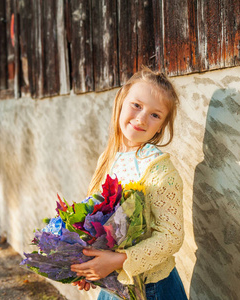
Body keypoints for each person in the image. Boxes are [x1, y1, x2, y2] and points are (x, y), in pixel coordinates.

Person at [70, 67, 188, 300]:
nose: (142, 118)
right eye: (137, 105)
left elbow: (171, 237)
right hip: (114, 285)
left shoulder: (158, 169)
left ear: (161, 126)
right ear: (121, 102)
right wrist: (88, 265)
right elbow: (97, 219)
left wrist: (118, 260)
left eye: (155, 115)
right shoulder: (108, 158)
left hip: (151, 287)